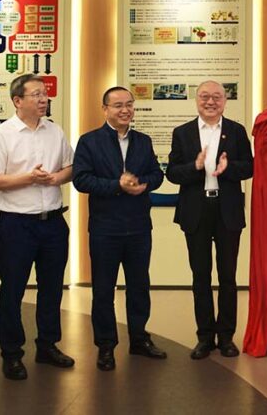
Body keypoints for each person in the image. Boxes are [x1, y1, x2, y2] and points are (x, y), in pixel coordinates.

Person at [0, 74, 74, 380]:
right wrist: (29, 178)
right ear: (17, 100)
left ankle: (47, 345)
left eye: (44, 94)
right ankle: (11, 354)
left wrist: (56, 178)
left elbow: (70, 168)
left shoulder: (55, 131)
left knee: (52, 288)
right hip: (16, 225)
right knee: (12, 290)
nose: (43, 99)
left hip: (53, 223)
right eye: (36, 94)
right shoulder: (2, 135)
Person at [73, 86, 167, 370]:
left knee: (139, 286)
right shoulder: (89, 141)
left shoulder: (143, 140)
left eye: (129, 104)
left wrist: (144, 184)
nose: (125, 110)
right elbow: (81, 180)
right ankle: (105, 346)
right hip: (105, 229)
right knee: (103, 290)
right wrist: (117, 185)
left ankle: (139, 339)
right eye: (118, 105)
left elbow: (157, 174)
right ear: (105, 109)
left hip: (139, 227)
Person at [166, 80, 253, 360]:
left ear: (225, 101)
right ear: (196, 100)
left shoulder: (236, 131)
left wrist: (228, 168)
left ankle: (226, 337)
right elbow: (172, 173)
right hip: (196, 210)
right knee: (200, 276)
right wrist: (195, 166)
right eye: (205, 96)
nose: (211, 102)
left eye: (217, 97)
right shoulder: (183, 133)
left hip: (227, 210)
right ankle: (204, 337)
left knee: (228, 276)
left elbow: (250, 167)